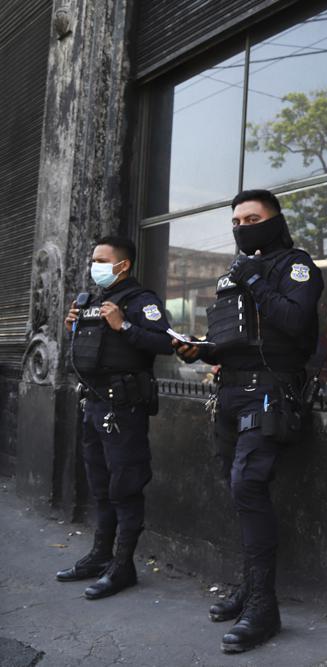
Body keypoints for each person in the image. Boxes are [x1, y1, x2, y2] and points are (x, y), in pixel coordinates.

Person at [174, 190, 323, 653]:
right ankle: (248, 587)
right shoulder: (232, 276)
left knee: (248, 485)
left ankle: (264, 606)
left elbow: (296, 324)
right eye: (236, 220)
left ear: (275, 221)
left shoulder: (295, 266)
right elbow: (235, 337)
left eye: (252, 218)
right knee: (237, 490)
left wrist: (256, 278)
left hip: (271, 391)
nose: (242, 226)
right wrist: (201, 350)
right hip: (232, 392)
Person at [59, 236, 173, 599]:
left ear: (123, 265)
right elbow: (92, 352)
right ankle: (99, 556)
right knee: (100, 485)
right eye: (93, 259)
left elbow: (164, 342)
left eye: (102, 260)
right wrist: (73, 328)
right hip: (92, 405)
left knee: (125, 486)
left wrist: (124, 325)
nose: (95, 266)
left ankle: (123, 566)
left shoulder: (143, 301)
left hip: (123, 408)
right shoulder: (91, 302)